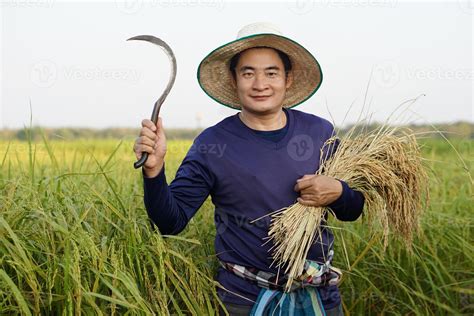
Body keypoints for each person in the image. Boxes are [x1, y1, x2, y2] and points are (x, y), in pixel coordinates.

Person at [133, 22, 364, 316]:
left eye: (271, 72)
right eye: (248, 73)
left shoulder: (319, 132)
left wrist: (339, 191)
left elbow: (353, 209)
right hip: (243, 300)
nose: (260, 84)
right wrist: (154, 171)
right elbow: (170, 222)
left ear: (287, 78)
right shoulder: (212, 144)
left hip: (320, 298)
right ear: (234, 80)